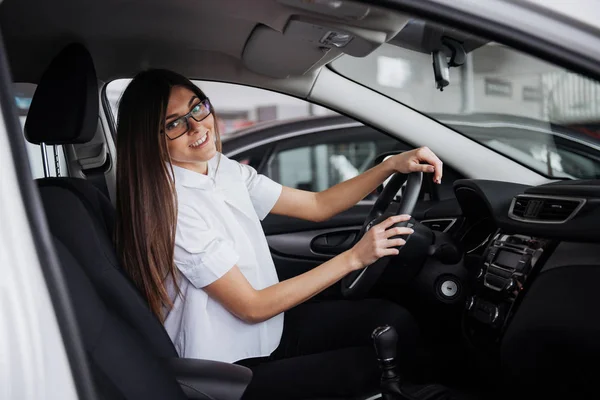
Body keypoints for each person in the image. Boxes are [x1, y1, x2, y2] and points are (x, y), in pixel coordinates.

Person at [115, 69, 444, 399]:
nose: (197, 126)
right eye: (174, 123)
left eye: (197, 107)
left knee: (391, 320)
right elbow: (252, 306)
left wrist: (390, 166)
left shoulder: (221, 168)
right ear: (151, 139)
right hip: (230, 369)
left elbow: (318, 205)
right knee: (373, 364)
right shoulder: (175, 208)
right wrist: (355, 257)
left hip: (269, 331)